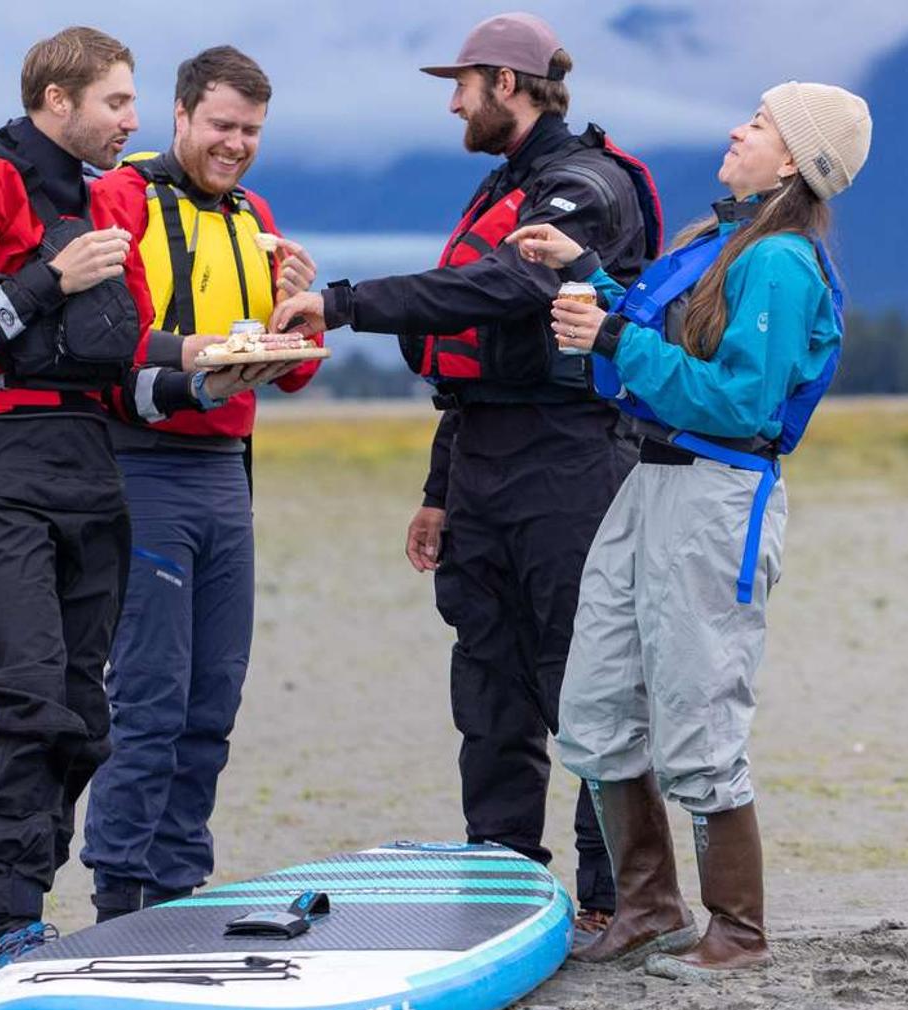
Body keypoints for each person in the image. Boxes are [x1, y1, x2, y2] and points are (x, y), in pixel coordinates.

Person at [0, 26, 289, 990]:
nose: (132, 121)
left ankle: (57, 911)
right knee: (30, 695)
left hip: (89, 462)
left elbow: (124, 349)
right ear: (55, 100)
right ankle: (4, 924)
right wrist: (45, 280)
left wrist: (216, 359)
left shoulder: (105, 199)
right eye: (117, 102)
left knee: (82, 711)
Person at [271, 12, 662, 943]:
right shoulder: (504, 184)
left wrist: (342, 304)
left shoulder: (584, 186)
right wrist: (439, 490)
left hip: (574, 458)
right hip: (483, 461)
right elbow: (466, 362)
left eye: (464, 85)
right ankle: (505, 877)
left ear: (510, 85)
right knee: (486, 677)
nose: (453, 102)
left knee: (588, 680)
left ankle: (613, 897)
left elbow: (501, 292)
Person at [507, 81, 872, 977]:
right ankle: (647, 905)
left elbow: (741, 401)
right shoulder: (723, 240)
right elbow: (657, 329)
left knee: (700, 709)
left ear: (792, 159)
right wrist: (587, 273)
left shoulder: (778, 262)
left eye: (759, 123)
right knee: (594, 703)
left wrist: (608, 342)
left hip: (717, 497)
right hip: (650, 486)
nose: (738, 130)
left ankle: (738, 931)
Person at [78, 45, 320, 922]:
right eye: (221, 125)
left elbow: (290, 374)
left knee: (213, 696)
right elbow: (103, 342)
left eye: (251, 130)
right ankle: (120, 894)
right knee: (149, 694)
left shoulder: (258, 217)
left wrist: (301, 307)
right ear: (179, 116)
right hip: (142, 468)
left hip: (227, 475)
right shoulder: (119, 199)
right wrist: (196, 370)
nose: (236, 144)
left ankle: (179, 886)